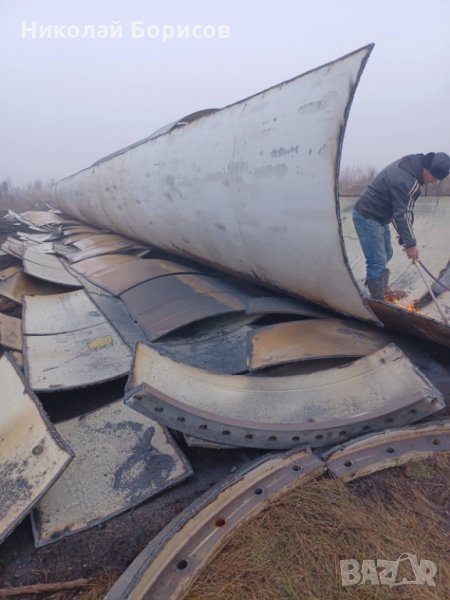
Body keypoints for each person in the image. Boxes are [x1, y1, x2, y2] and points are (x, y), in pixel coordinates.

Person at [352, 152, 450, 300]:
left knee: (387, 253)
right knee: (377, 260)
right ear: (427, 171)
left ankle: (381, 289)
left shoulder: (412, 165)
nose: (434, 182)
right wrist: (410, 244)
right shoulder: (408, 181)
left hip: (380, 216)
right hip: (368, 216)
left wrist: (405, 237)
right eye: (434, 178)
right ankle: (377, 299)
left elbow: (399, 207)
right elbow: (403, 214)